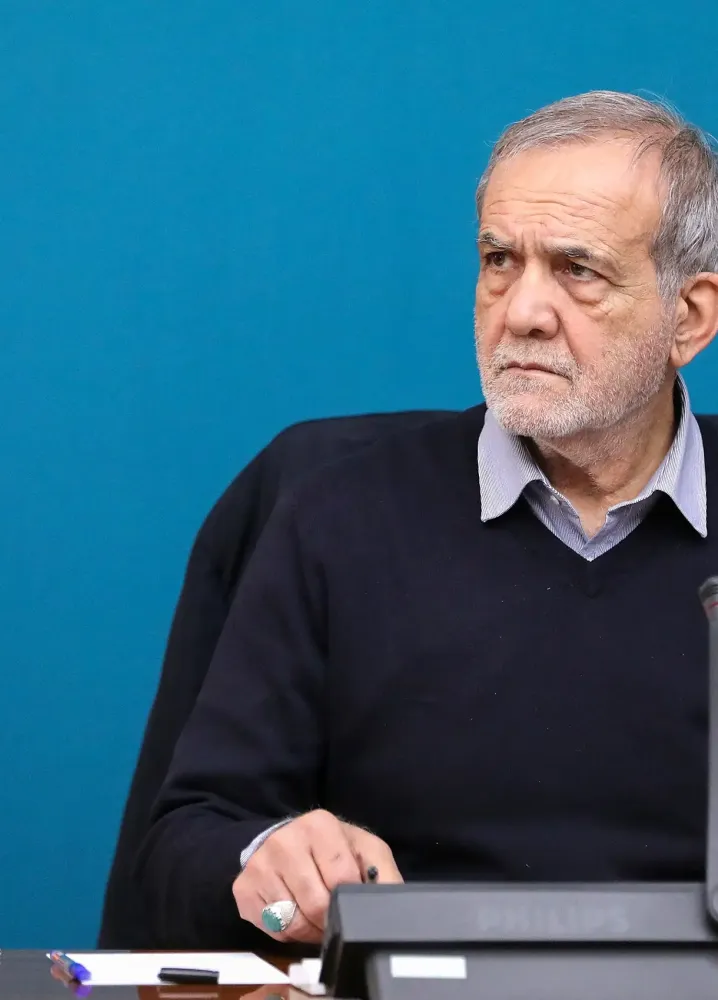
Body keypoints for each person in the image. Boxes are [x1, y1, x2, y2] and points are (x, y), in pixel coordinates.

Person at [136, 91, 718, 949]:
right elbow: (181, 848)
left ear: (689, 317)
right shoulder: (338, 506)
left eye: (578, 270)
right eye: (499, 260)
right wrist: (269, 863)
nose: (521, 311)